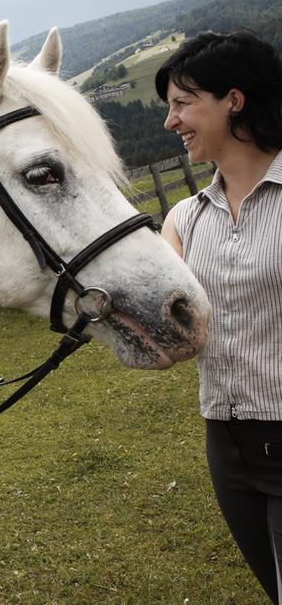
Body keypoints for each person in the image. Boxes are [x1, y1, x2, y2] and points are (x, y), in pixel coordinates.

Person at [159, 31, 282, 602]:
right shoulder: (183, 220)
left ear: (234, 99)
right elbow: (165, 333)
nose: (170, 121)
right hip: (226, 442)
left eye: (183, 104)